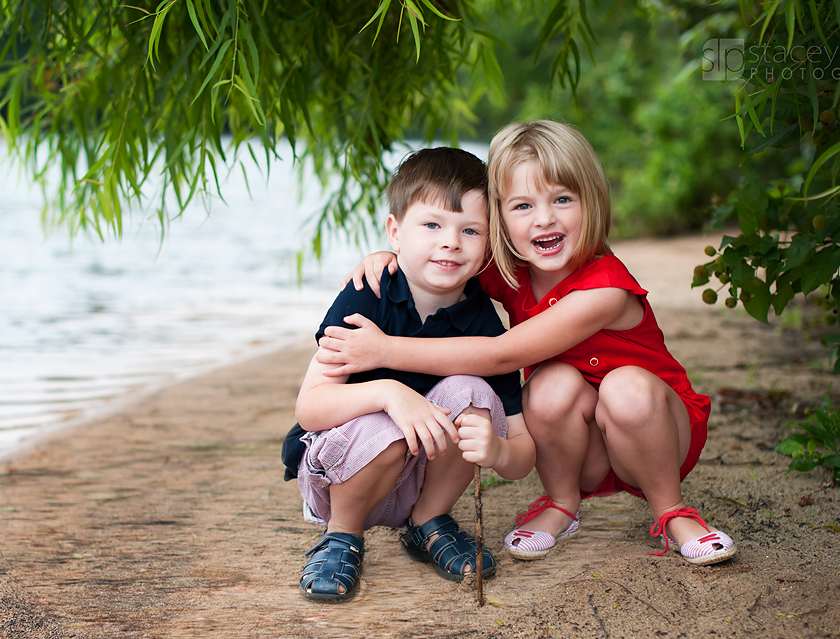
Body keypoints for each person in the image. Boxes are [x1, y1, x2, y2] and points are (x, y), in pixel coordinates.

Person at [317, 120, 738, 567]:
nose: (543, 218)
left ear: (591, 201)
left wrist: (385, 350)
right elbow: (439, 255)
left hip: (658, 433)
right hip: (584, 445)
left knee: (625, 386)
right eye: (521, 206)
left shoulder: (606, 290)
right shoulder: (509, 269)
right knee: (550, 382)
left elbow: (504, 353)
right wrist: (388, 258)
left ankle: (672, 511)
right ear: (499, 218)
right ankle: (561, 503)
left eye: (562, 199)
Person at [282, 146, 535, 602]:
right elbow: (310, 408)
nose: (451, 242)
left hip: (422, 481)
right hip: (343, 477)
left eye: (470, 230)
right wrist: (389, 394)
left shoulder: (484, 327)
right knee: (387, 421)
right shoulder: (367, 293)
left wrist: (496, 450)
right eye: (433, 225)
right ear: (395, 232)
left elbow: (523, 453)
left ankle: (428, 523)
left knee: (473, 391)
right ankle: (341, 537)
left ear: (489, 244)